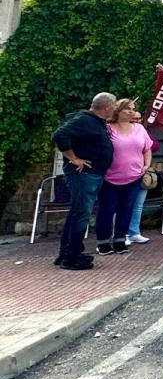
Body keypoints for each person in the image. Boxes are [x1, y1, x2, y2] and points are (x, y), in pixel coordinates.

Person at [51, 94, 116, 270]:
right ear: (106, 106)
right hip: (83, 174)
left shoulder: (95, 122)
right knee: (82, 213)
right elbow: (59, 135)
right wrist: (74, 158)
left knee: (77, 212)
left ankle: (67, 252)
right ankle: (72, 256)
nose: (115, 108)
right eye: (114, 105)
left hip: (92, 174)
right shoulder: (85, 120)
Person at [95, 98, 153, 255]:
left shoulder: (139, 128)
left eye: (133, 109)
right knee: (107, 209)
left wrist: (146, 165)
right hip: (110, 177)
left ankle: (120, 240)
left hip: (134, 176)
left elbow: (147, 148)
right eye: (127, 109)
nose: (131, 112)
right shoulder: (108, 129)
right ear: (118, 111)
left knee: (126, 209)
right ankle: (103, 242)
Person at [125, 108, 160, 245]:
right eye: (133, 118)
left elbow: (154, 146)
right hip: (125, 173)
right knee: (124, 204)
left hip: (141, 172)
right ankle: (122, 233)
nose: (136, 121)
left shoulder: (142, 131)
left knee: (138, 205)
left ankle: (134, 232)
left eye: (139, 119)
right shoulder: (121, 131)